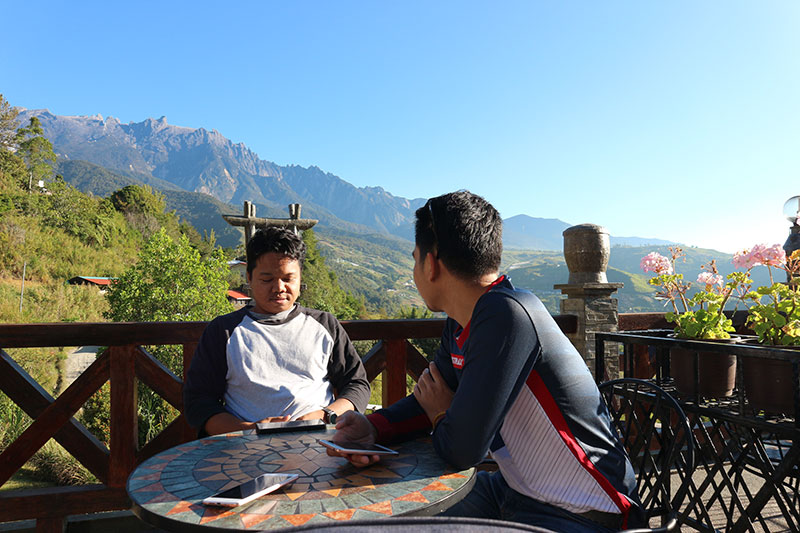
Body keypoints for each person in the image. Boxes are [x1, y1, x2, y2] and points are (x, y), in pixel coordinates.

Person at [328, 191, 645, 532]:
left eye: (414, 258)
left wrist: (440, 413)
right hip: (514, 491)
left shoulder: (507, 314)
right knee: (385, 522)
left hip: (583, 510)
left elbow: (462, 448)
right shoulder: (464, 322)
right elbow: (431, 396)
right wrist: (374, 427)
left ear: (431, 264)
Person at [183, 226, 370, 437]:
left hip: (322, 445)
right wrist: (250, 430)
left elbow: (357, 385)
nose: (279, 287)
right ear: (249, 278)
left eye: (288, 279)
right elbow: (199, 403)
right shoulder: (224, 332)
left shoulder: (325, 325)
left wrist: (325, 416)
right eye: (267, 279)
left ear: (300, 278)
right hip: (246, 452)